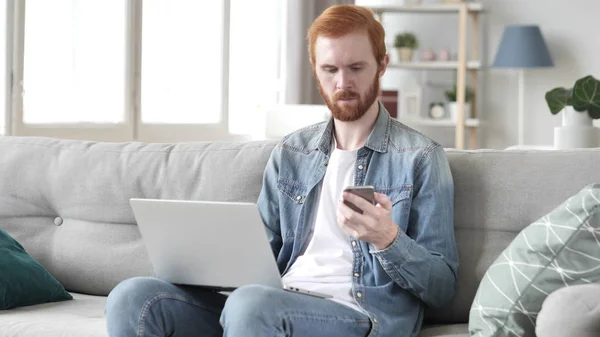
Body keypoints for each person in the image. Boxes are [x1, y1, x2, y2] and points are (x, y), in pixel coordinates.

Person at [105, 4, 458, 337]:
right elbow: (261, 255)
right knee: (133, 296)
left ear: (382, 64)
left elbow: (442, 287)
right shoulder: (292, 152)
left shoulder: (420, 157)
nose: (342, 84)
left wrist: (388, 240)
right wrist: (206, 262)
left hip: (360, 314)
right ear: (314, 67)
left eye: (356, 68)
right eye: (330, 69)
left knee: (251, 305)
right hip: (275, 301)